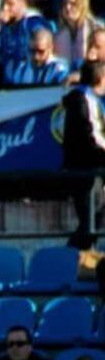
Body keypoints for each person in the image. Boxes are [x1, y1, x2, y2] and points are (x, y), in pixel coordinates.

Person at [62, 60, 105, 251]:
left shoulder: (88, 100)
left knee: (95, 217)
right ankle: (71, 256)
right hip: (84, 168)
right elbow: (92, 136)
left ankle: (82, 256)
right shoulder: (84, 101)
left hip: (89, 166)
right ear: (100, 79)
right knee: (91, 218)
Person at [5, 27, 70, 85]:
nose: (36, 56)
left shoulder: (58, 69)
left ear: (50, 48)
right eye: (32, 51)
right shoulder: (22, 69)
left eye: (41, 52)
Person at [56, 0, 97, 68]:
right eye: (65, 4)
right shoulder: (58, 34)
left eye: (73, 4)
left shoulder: (95, 29)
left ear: (82, 6)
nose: (68, 8)